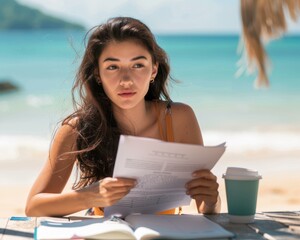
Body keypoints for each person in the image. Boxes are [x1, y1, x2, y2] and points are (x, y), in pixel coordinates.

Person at [25, 17, 221, 217]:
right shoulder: (77, 129)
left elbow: (205, 207)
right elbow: (34, 207)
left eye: (137, 65)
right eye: (112, 67)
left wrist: (212, 200)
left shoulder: (179, 118)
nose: (126, 80)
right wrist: (89, 197)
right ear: (98, 74)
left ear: (153, 69)